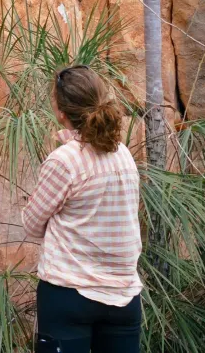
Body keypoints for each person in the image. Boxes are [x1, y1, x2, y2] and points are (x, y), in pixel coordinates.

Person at [21, 65, 142, 353]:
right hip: (123, 298)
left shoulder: (63, 161)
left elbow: (31, 224)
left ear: (61, 112)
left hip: (69, 295)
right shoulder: (122, 153)